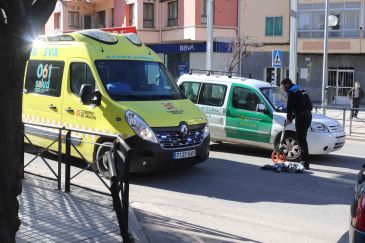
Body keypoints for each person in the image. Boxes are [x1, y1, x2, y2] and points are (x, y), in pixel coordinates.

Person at [281, 78, 313, 170]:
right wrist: (292, 117)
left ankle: (304, 162)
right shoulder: (300, 88)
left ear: (287, 84)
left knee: (301, 139)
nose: (283, 89)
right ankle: (304, 161)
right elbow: (302, 104)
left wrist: (288, 118)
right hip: (308, 115)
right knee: (302, 139)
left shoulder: (291, 92)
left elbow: (290, 106)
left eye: (283, 87)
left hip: (302, 117)